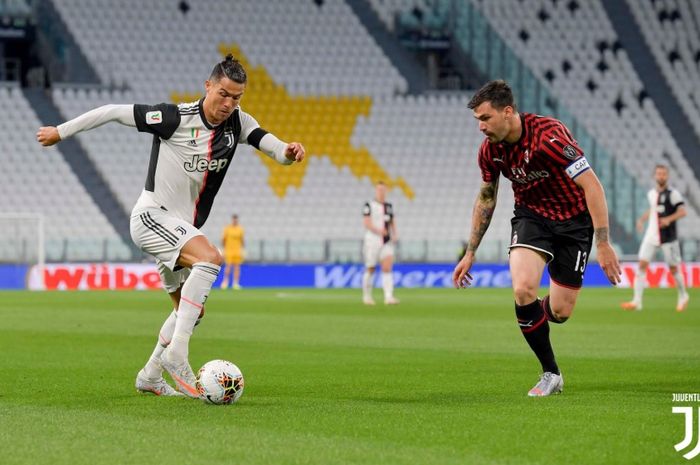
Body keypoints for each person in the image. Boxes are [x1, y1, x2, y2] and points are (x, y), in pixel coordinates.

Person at [36, 54, 305, 398]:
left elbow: (273, 148)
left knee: (190, 311)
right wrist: (61, 131)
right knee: (210, 258)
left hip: (180, 231)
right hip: (152, 217)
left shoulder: (238, 123)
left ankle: (149, 375)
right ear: (208, 86)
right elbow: (114, 111)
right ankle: (178, 353)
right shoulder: (175, 117)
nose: (228, 103)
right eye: (223, 93)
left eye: (236, 97)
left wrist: (290, 151)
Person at [452, 80, 621, 397]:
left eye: (485, 118)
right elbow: (487, 198)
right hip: (532, 219)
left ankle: (535, 316)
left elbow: (592, 186)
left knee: (559, 312)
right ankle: (551, 373)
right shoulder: (491, 151)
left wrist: (602, 243)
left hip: (574, 224)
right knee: (523, 288)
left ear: (508, 111)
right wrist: (470, 251)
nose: (481, 127)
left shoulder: (549, 136)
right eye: (477, 120)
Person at [621, 164, 689, 312]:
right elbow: (653, 209)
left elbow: (683, 212)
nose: (661, 176)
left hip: (668, 238)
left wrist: (669, 219)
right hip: (651, 236)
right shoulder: (652, 193)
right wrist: (641, 220)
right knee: (642, 265)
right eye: (658, 174)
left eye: (663, 174)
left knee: (673, 268)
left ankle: (683, 295)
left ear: (667, 176)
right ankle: (637, 301)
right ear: (654, 176)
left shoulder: (673, 194)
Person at [362, 181, 399, 305]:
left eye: (383, 190)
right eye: (379, 190)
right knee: (371, 268)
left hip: (386, 241)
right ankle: (367, 296)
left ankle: (388, 297)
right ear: (376, 191)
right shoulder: (369, 205)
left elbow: (392, 221)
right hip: (372, 240)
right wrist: (379, 231)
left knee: (387, 267)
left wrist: (395, 234)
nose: (381, 192)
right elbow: (366, 223)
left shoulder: (389, 206)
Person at [221, 214, 245, 290]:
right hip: (229, 250)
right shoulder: (227, 228)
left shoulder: (240, 229)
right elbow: (223, 240)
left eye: (236, 219)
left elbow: (242, 240)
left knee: (237, 267)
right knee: (228, 267)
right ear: (232, 220)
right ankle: (225, 282)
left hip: (237, 251)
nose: (235, 220)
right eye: (234, 219)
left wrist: (242, 249)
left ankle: (235, 283)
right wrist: (225, 249)